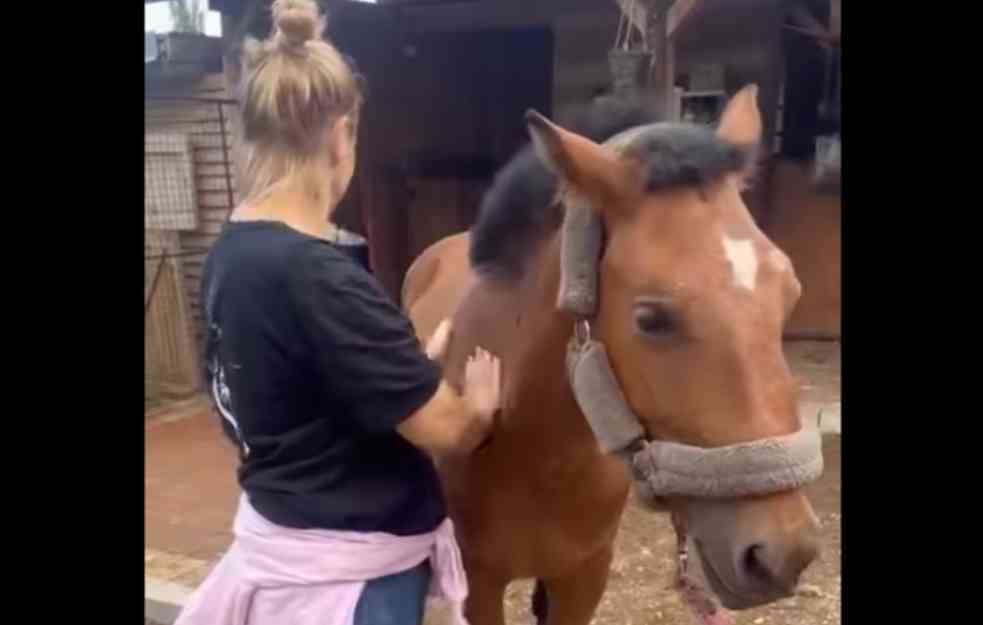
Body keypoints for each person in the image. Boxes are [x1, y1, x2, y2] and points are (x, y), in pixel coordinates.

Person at [173, 2, 501, 624]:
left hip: (280, 542)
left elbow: (289, 387)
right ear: (340, 134)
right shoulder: (317, 275)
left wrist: (403, 367)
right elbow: (445, 432)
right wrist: (476, 412)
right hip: (349, 582)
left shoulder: (230, 253)